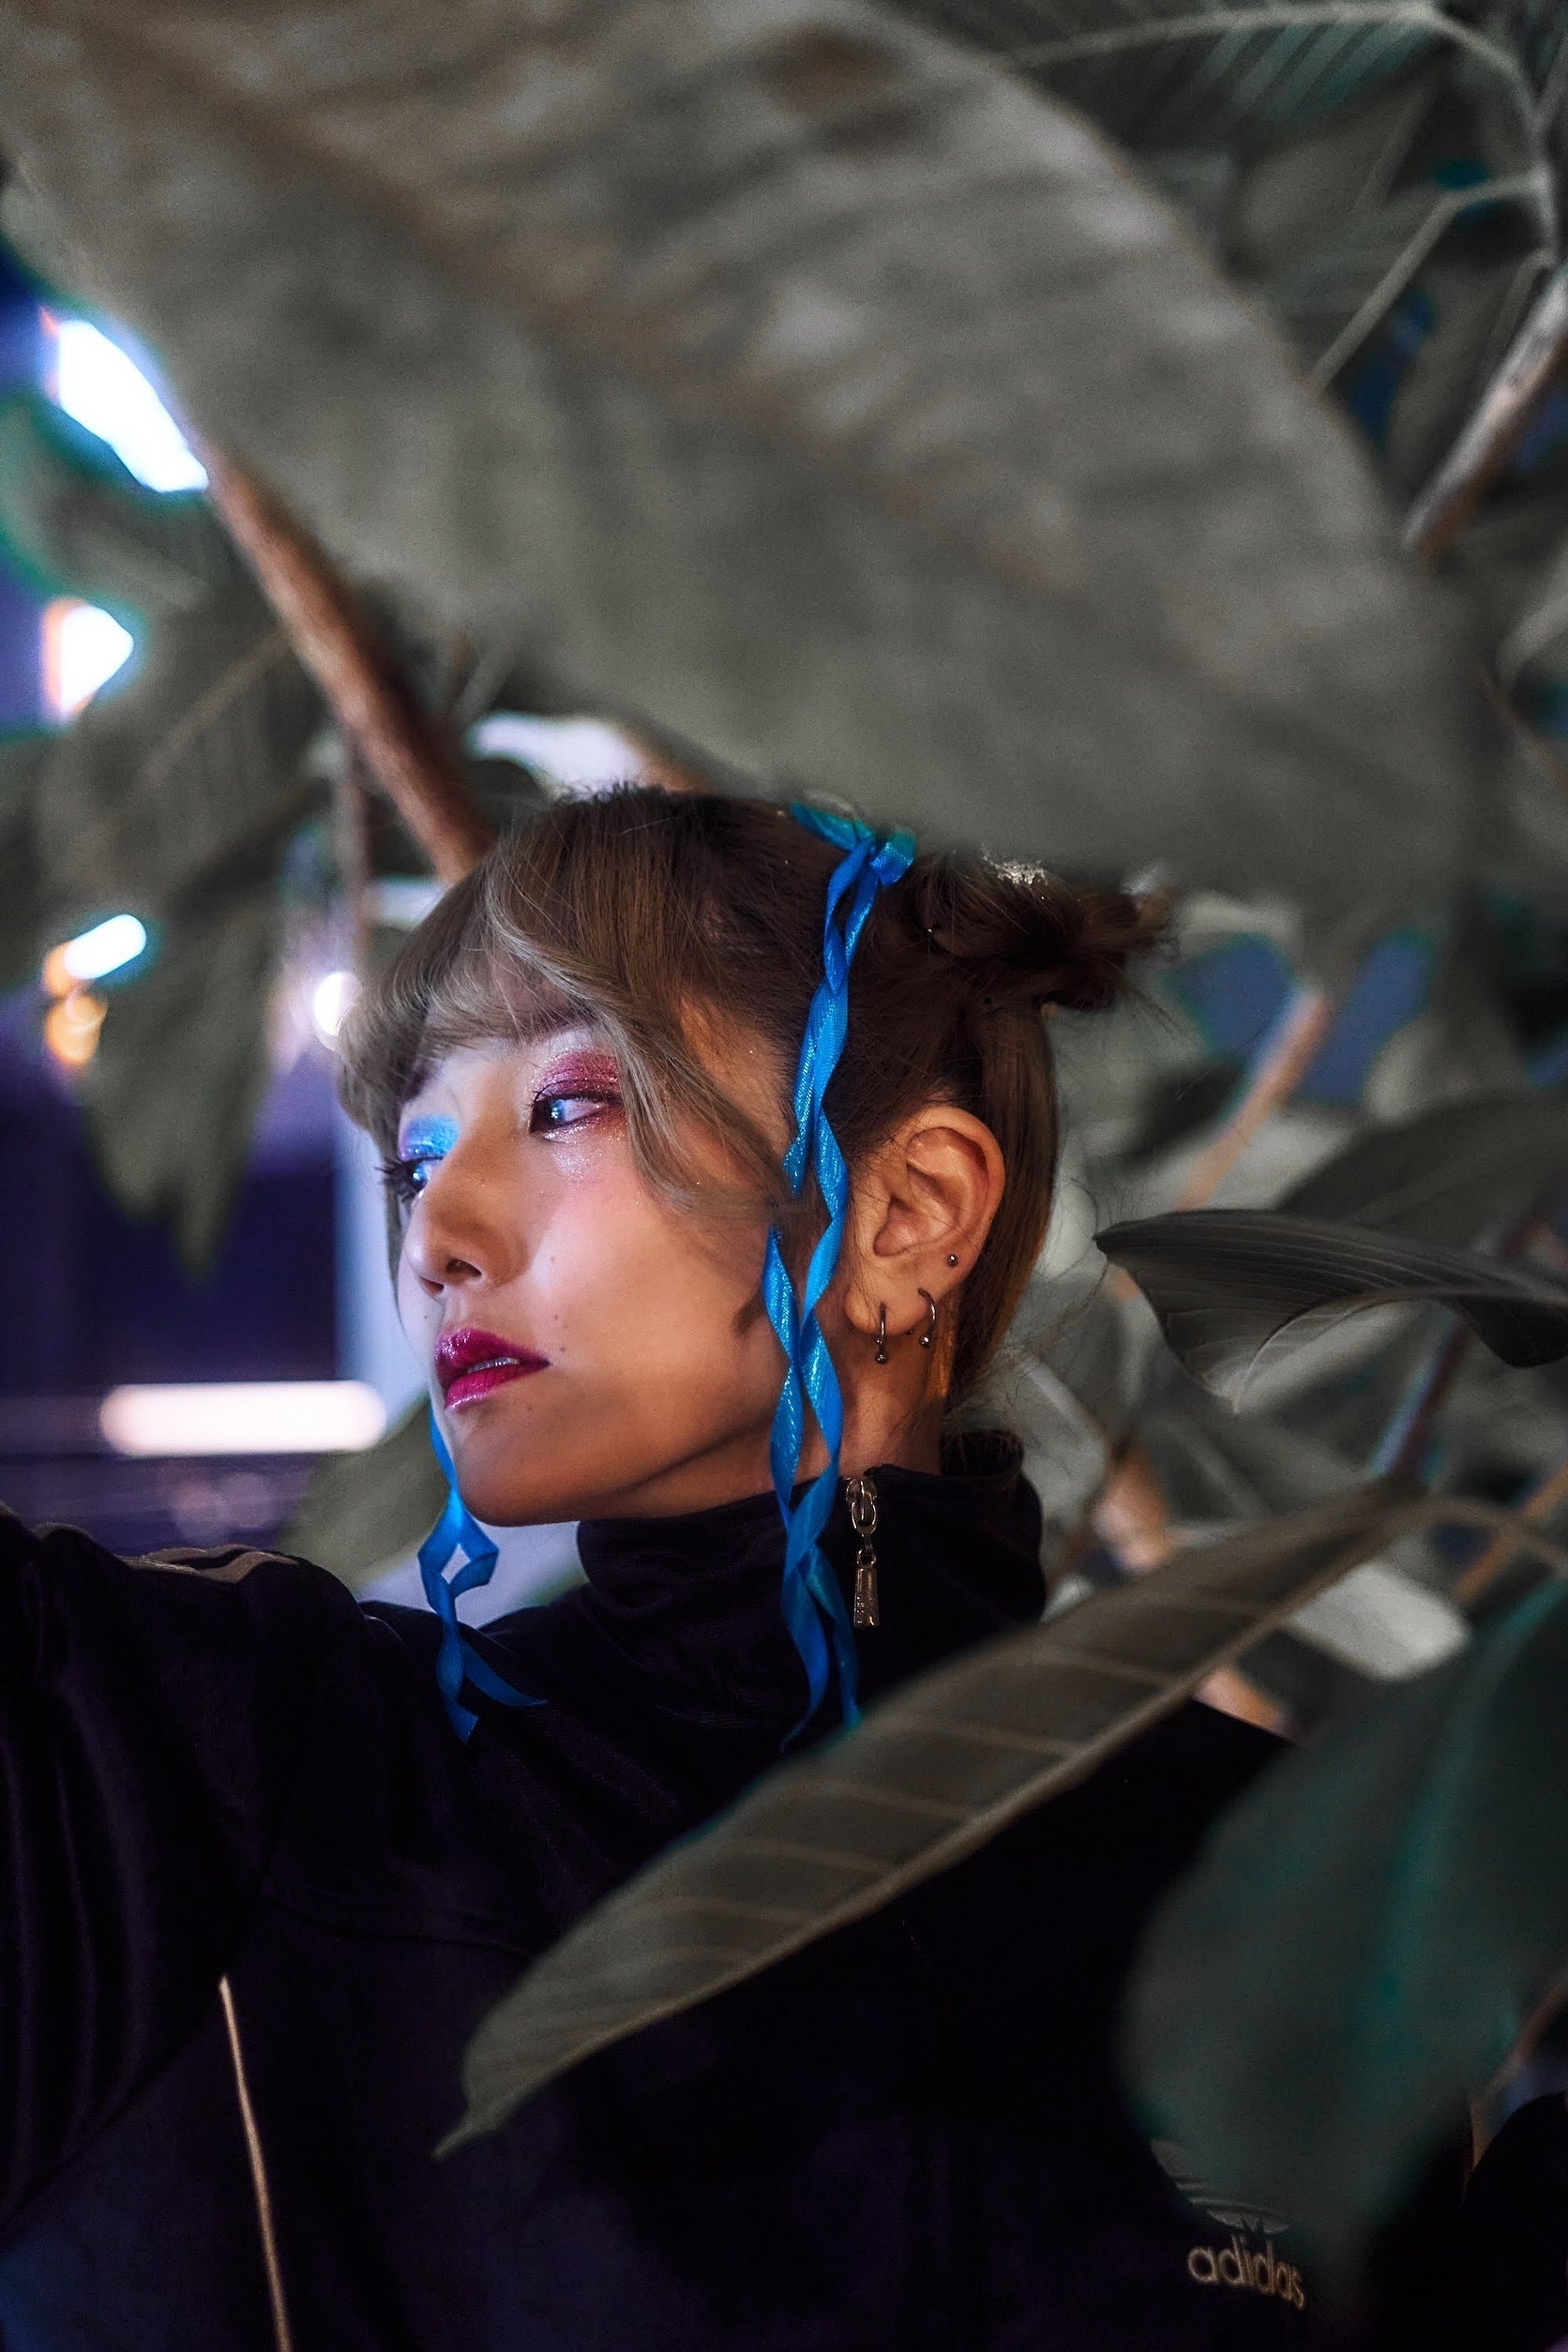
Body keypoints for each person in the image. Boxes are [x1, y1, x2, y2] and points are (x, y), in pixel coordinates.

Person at [0, 786, 1452, 2349]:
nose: (439, 1235)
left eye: (568, 1106)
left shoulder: (1307, 1889)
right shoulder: (220, 1775)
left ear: (909, 1212)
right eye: (415, 1158)